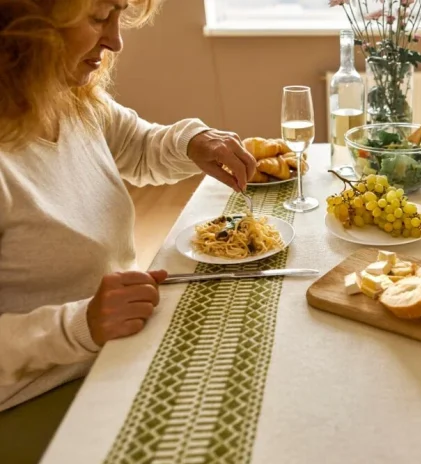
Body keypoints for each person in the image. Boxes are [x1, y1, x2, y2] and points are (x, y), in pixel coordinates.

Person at [0, 0, 256, 411]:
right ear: (23, 25)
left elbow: (137, 145)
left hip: (112, 352)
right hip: (36, 397)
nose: (116, 41)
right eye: (99, 18)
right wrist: (80, 326)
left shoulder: (68, 97)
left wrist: (193, 140)